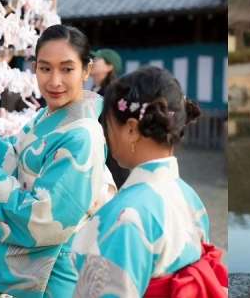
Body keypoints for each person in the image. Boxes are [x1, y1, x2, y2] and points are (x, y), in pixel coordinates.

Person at [0, 24, 113, 298]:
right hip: (43, 266)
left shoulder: (82, 135)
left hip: (56, 271)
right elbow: (23, 164)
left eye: (67, 69)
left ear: (86, 69)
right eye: (45, 68)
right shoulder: (50, 115)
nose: (54, 81)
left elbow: (47, 216)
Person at [71, 66, 228, 298]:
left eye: (109, 126)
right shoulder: (190, 197)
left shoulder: (127, 216)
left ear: (132, 130)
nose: (107, 135)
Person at [91, 48, 131, 188]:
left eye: (97, 59)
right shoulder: (94, 89)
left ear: (109, 66)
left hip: (111, 155)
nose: (92, 62)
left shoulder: (115, 92)